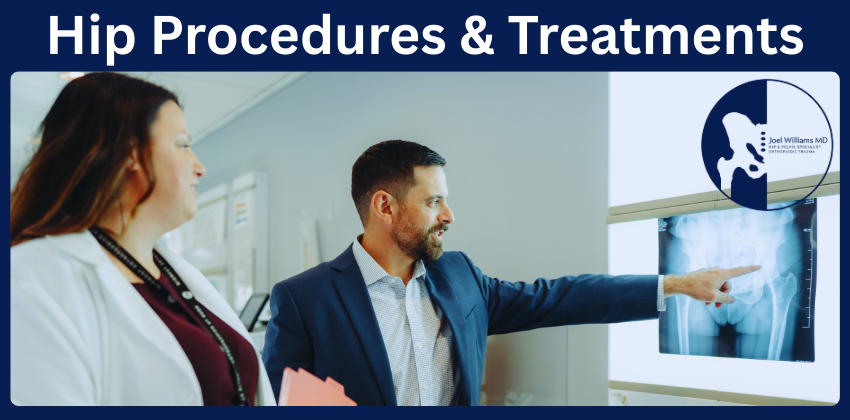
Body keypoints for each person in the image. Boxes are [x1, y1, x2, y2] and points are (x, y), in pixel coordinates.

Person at [262, 140, 760, 406]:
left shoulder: (459, 278)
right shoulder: (304, 301)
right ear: (385, 206)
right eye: (433, 201)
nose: (449, 215)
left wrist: (672, 285)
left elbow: (561, 297)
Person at [11, 73, 275, 405]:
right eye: (183, 145)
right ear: (129, 153)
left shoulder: (173, 271)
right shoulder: (32, 279)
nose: (200, 167)